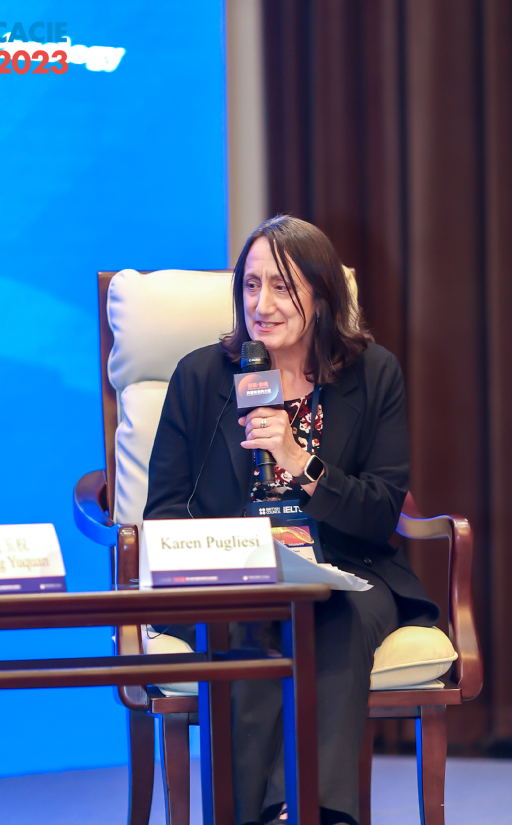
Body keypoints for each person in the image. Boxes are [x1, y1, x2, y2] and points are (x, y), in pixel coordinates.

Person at [144, 215, 439, 825]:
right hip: (228, 574)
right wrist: (227, 559)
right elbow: (165, 508)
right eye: (251, 286)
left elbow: (380, 511)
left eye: (282, 287)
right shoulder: (200, 377)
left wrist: (301, 463)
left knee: (334, 614)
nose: (262, 305)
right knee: (247, 622)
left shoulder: (373, 372)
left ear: (322, 296)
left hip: (346, 568)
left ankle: (309, 813)